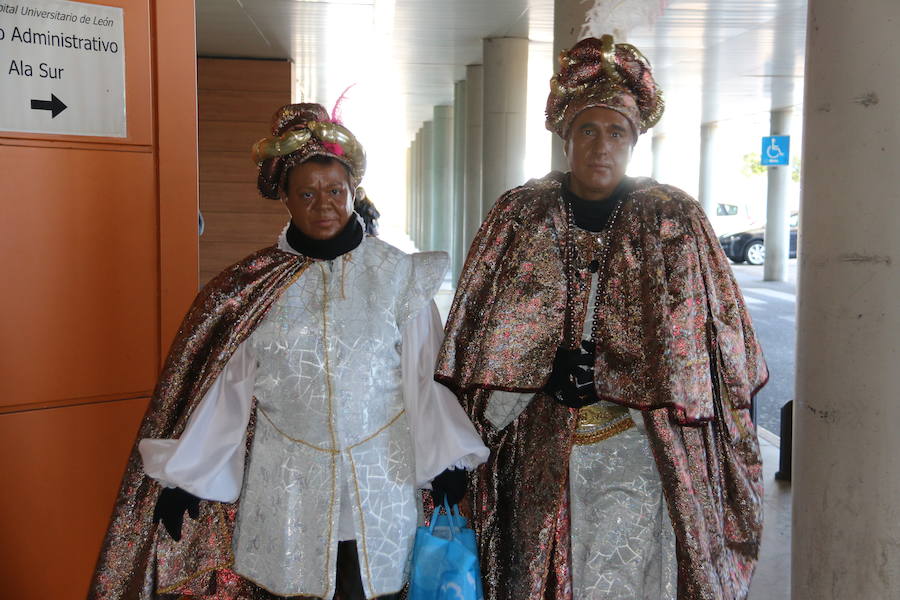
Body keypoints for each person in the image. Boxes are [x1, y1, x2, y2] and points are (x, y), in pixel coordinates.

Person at [89, 102, 488, 600]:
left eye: (335, 191)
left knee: (376, 588)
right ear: (283, 196)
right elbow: (229, 390)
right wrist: (189, 475)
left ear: (353, 191)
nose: (324, 204)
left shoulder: (398, 277)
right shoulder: (253, 288)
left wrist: (446, 460)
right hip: (288, 485)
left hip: (382, 479)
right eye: (307, 192)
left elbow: (424, 378)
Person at [435, 35, 767, 600]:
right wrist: (534, 376)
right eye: (588, 130)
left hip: (637, 447)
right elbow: (481, 340)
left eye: (617, 132)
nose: (601, 147)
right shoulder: (520, 214)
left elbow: (712, 348)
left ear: (634, 141)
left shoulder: (673, 219)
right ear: (566, 136)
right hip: (536, 445)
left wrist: (624, 377)